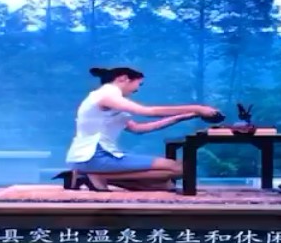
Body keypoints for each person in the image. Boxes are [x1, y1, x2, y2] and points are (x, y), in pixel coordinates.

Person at [62, 66, 221, 192]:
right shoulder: (106, 95)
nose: (137, 89)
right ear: (123, 78)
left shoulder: (108, 99)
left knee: (165, 184)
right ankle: (99, 176)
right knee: (182, 168)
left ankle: (95, 176)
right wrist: (198, 108)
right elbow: (148, 112)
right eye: (138, 84)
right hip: (94, 156)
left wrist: (186, 116)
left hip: (91, 157)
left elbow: (138, 128)